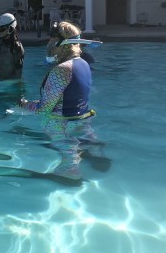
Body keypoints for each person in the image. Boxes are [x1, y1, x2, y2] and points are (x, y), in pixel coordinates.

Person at [18, 21, 106, 183]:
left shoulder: (62, 69)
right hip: (82, 118)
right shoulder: (83, 63)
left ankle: (70, 171)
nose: (48, 44)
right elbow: (67, 97)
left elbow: (44, 109)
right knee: (83, 140)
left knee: (67, 149)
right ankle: (95, 153)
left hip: (62, 123)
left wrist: (23, 104)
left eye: (51, 40)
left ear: (60, 43)